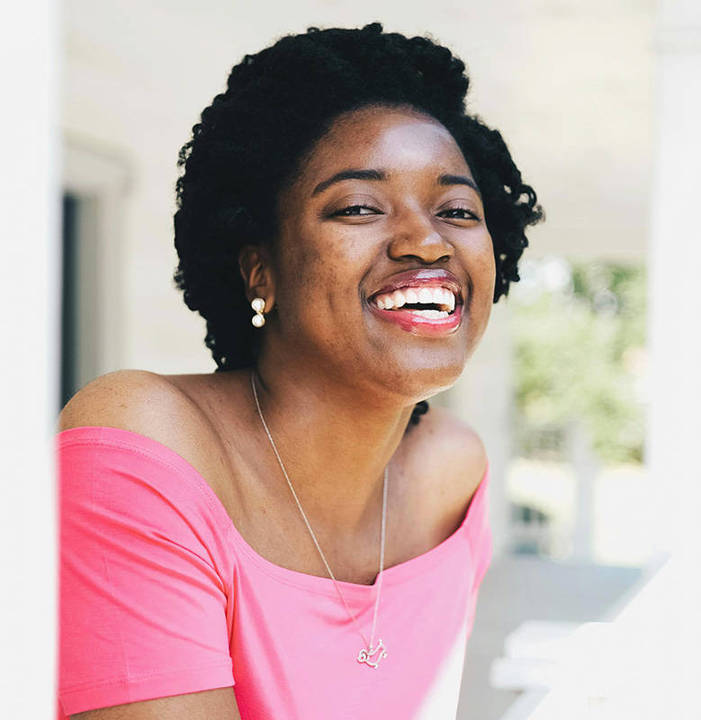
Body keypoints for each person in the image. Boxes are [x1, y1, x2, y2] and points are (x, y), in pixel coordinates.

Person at [56, 22, 543, 720]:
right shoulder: (145, 444)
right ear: (261, 270)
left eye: (458, 210)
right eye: (358, 207)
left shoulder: (451, 476)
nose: (427, 241)